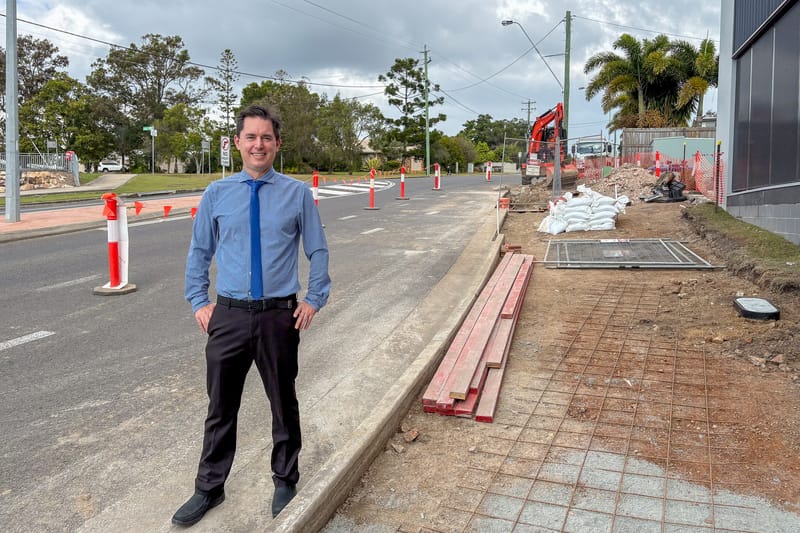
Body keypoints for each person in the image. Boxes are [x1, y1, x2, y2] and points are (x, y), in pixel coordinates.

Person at [173, 104, 331, 526]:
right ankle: (210, 487)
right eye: (251, 137)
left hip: (279, 316)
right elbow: (199, 252)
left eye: (266, 137)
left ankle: (285, 479)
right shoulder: (217, 194)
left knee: (283, 401)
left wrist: (314, 298)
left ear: (277, 144)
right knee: (220, 406)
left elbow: (317, 249)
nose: (258, 144)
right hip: (228, 316)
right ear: (238, 142)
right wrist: (199, 301)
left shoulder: (296, 194)